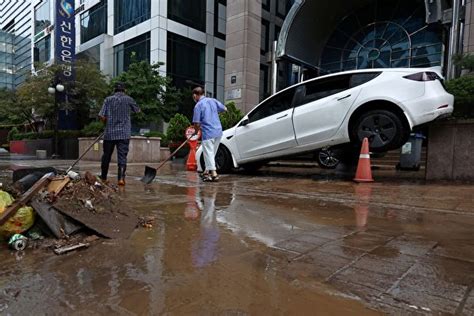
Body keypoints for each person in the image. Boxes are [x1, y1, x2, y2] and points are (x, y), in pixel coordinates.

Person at [99, 82, 140, 186]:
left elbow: (102, 116)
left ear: (114, 90)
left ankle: (103, 178)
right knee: (122, 156)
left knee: (106, 156)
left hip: (110, 133)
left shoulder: (108, 99)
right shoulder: (129, 99)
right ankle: (121, 179)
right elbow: (137, 110)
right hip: (124, 133)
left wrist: (105, 121)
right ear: (124, 90)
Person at [192, 87, 227, 182]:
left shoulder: (198, 106)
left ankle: (214, 174)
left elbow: (197, 123)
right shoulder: (213, 101)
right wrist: (214, 114)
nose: (193, 97)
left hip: (208, 132)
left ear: (195, 95)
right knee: (211, 153)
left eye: (193, 96)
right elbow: (225, 109)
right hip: (218, 131)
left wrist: (195, 131)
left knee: (209, 153)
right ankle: (206, 172)